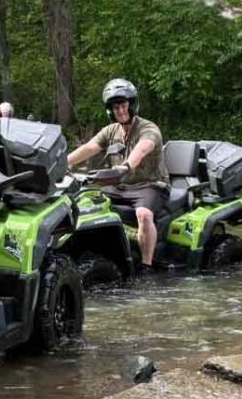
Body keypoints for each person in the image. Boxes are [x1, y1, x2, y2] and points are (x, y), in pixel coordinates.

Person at [67, 78, 168, 272]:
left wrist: (126, 166)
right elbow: (89, 148)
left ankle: (147, 265)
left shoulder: (149, 128)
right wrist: (62, 163)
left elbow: (143, 148)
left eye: (123, 105)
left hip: (149, 185)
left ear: (131, 104)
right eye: (115, 107)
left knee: (144, 214)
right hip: (120, 186)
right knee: (85, 200)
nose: (120, 111)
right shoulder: (111, 131)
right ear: (110, 111)